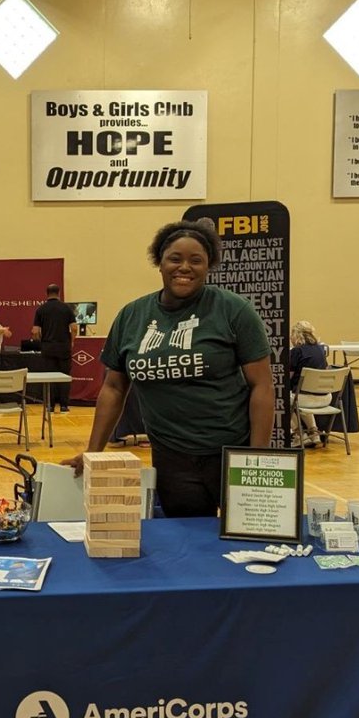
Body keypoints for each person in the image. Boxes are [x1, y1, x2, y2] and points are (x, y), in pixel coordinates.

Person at [66, 219, 274, 518]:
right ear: (159, 263)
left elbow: (262, 386)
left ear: (209, 265)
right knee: (187, 538)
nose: (184, 267)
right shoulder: (132, 316)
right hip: (171, 458)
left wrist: (257, 458)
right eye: (175, 259)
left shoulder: (234, 310)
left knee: (244, 536)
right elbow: (113, 388)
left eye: (196, 260)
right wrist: (93, 452)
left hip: (232, 451)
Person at [32, 284, 77, 412]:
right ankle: (64, 405)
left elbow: (35, 331)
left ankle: (50, 405)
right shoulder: (67, 308)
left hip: (48, 348)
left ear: (46, 293)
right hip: (64, 347)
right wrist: (71, 341)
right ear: (59, 293)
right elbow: (74, 328)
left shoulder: (41, 309)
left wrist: (41, 341)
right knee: (65, 376)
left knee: (50, 377)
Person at [289, 320, 330, 447]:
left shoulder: (296, 351)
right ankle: (314, 432)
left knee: (282, 399)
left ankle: (298, 435)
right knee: (303, 395)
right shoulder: (321, 349)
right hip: (326, 398)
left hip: (304, 399)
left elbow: (288, 378)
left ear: (296, 335)